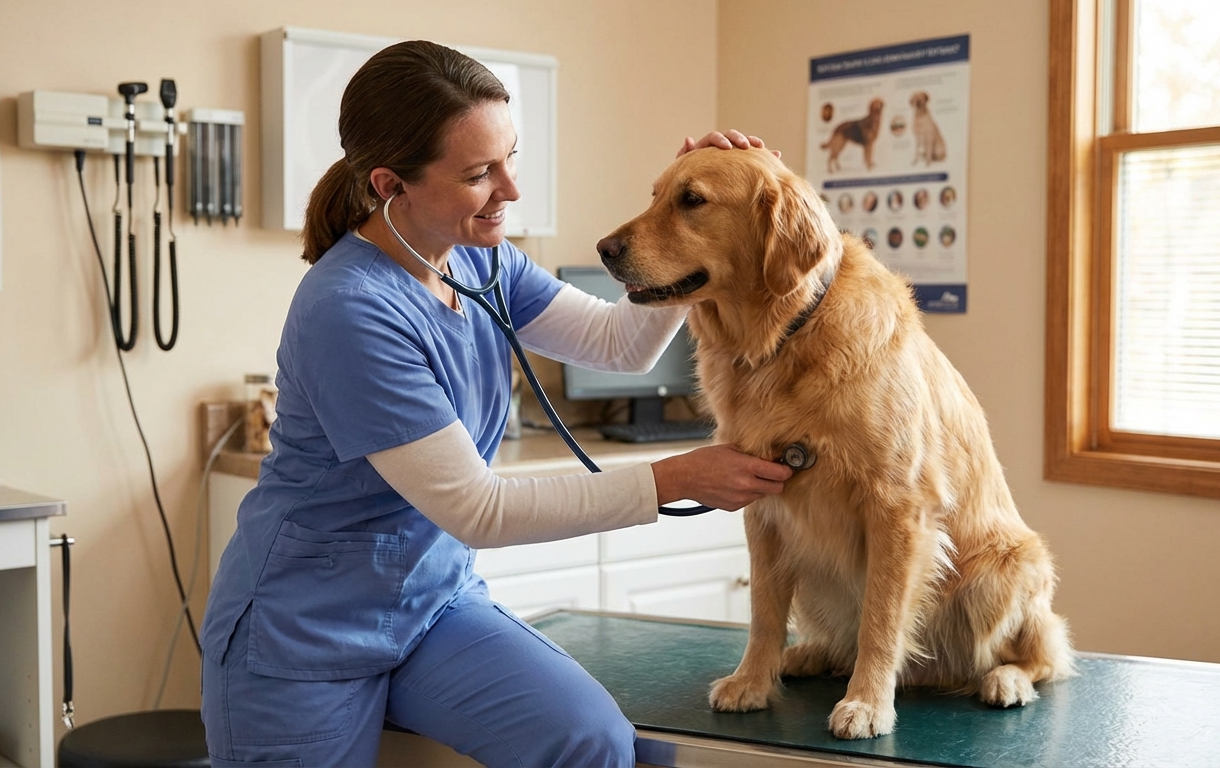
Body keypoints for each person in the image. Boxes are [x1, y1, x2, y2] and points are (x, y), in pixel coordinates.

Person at [200, 40, 793, 768]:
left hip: (432, 606)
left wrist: (687, 236)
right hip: (303, 630)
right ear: (393, 184)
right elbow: (478, 510)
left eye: (511, 158)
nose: (510, 190)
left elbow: (618, 343)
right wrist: (675, 479)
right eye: (480, 174)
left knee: (594, 742)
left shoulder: (481, 257)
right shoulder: (348, 308)